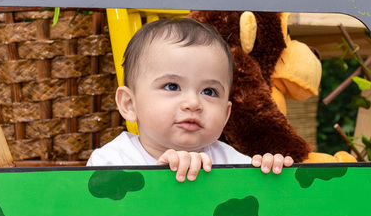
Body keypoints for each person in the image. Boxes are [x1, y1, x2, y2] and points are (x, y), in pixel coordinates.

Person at [87, 18, 293, 181]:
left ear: (225, 115)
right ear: (129, 104)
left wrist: (269, 175)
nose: (193, 103)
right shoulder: (111, 162)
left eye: (209, 92)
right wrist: (162, 178)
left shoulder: (232, 164)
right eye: (172, 86)